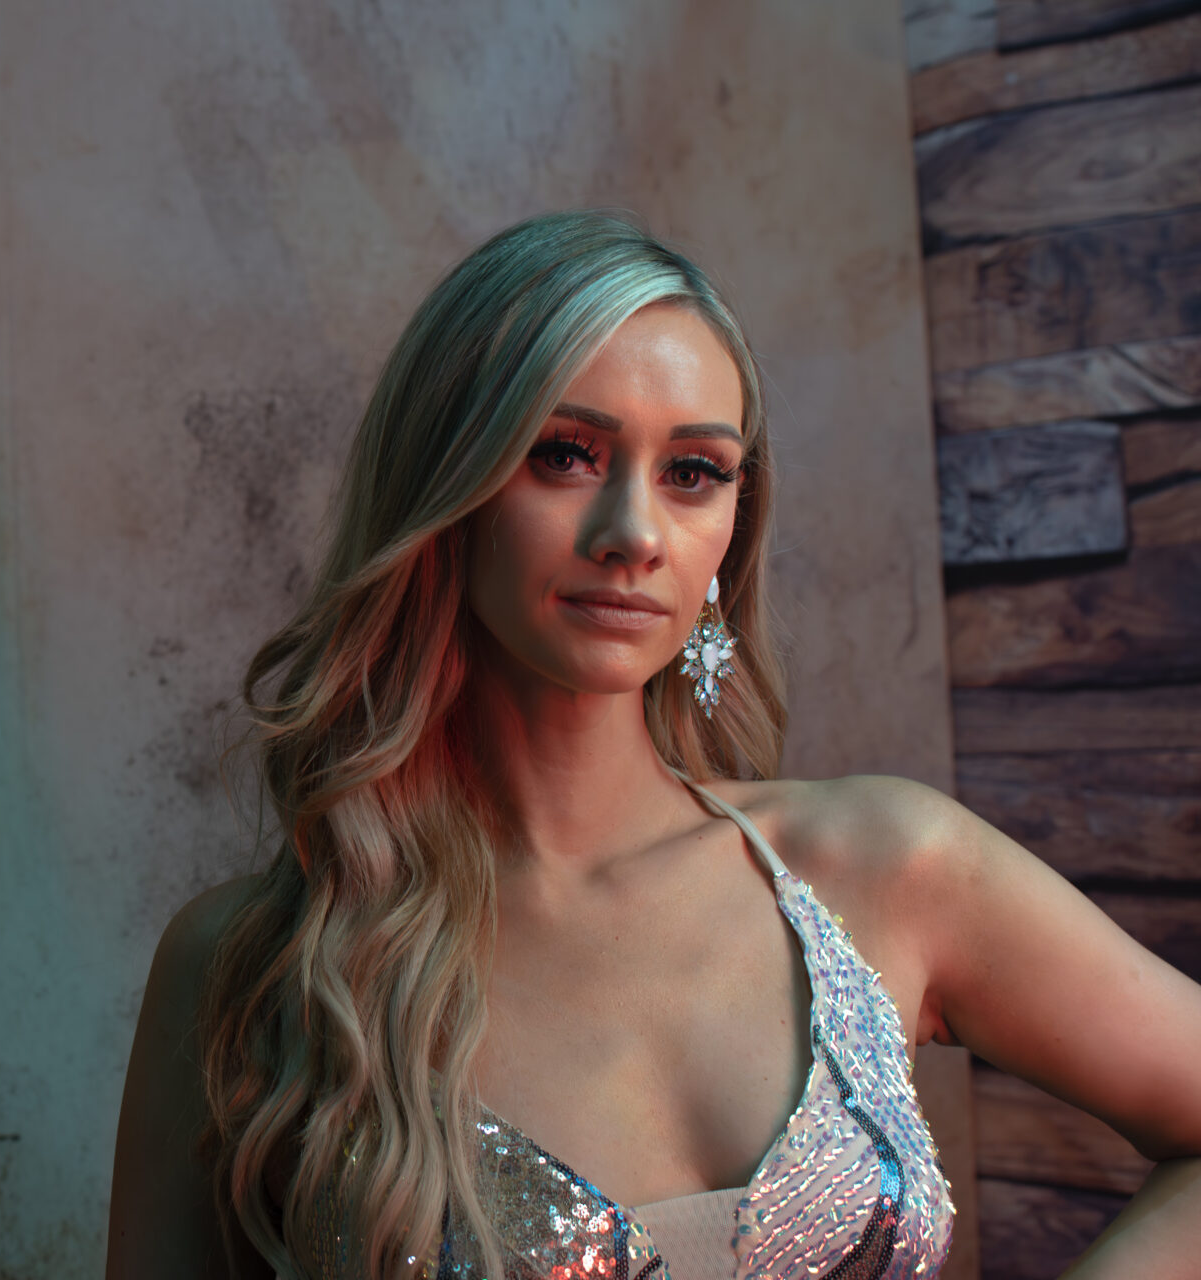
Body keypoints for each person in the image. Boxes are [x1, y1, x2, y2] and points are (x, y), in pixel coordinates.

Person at [104, 211, 1201, 1280]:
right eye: (567, 454)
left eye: (693, 472)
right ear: (449, 486)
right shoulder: (252, 963)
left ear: (733, 520)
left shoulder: (888, 864)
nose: (633, 533)